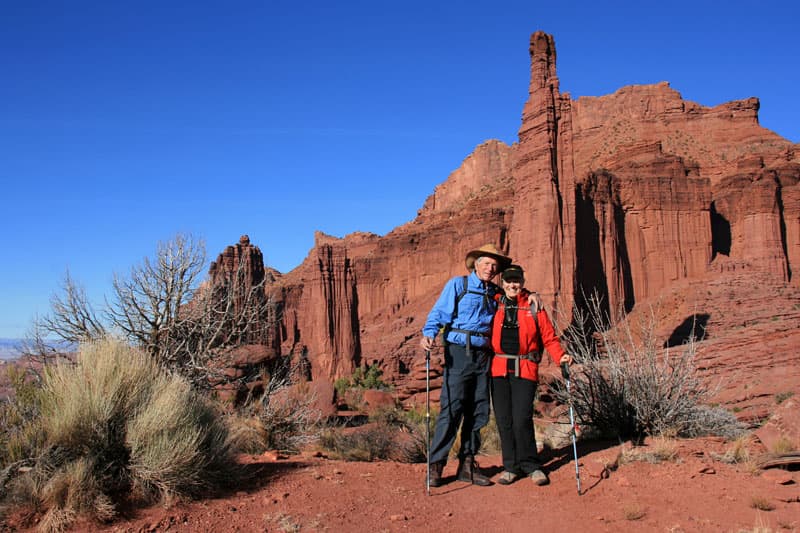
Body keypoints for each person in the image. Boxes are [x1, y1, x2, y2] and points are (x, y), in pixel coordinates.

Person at [420, 244, 540, 488]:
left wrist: (531, 294)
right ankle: (436, 466)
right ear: (475, 264)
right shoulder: (458, 285)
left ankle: (467, 465)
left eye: (494, 265)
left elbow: (513, 293)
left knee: (479, 411)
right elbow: (439, 313)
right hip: (458, 352)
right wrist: (429, 333)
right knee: (452, 409)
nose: (491, 268)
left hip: (485, 356)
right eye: (486, 263)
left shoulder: (495, 292)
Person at [489, 264, 572, 486]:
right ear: (503, 283)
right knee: (504, 420)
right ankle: (510, 467)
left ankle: (531, 465)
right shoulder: (494, 303)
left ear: (522, 283)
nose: (512, 285)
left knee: (521, 418)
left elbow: (549, 337)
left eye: (516, 281)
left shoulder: (533, 306)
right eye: (508, 280)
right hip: (498, 368)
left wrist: (560, 357)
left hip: (525, 368)